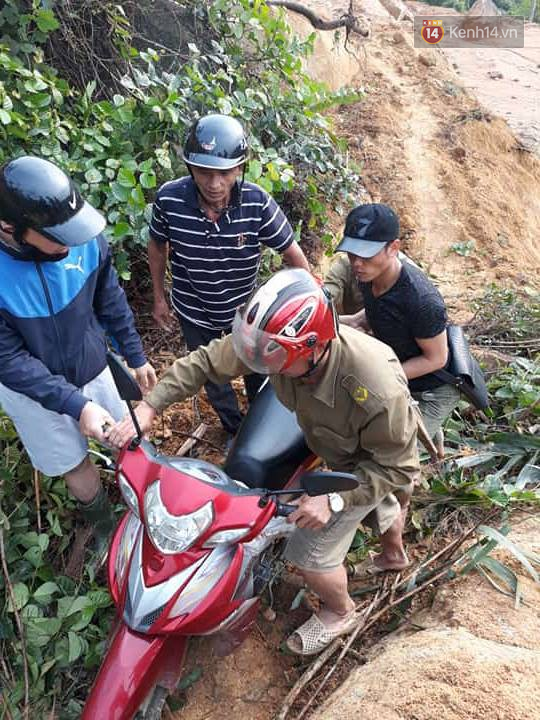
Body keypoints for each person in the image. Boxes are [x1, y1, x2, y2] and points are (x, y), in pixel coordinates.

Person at [107, 268, 420, 656]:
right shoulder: (275, 345)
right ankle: (393, 554)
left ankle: (341, 611)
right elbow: (207, 362)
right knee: (379, 503)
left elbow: (398, 466)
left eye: (272, 355)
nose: (257, 361)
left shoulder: (374, 389)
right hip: (324, 430)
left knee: (309, 557)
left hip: (366, 461)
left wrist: (333, 499)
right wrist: (151, 405)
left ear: (312, 347)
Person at [0, 155, 156, 551]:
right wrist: (76, 405)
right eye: (56, 236)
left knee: (128, 436)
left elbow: (109, 298)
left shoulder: (83, 240)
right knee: (72, 462)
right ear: (10, 228)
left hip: (92, 364)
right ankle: (106, 526)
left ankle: (150, 507)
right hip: (30, 391)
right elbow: (10, 361)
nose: (70, 245)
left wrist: (134, 355)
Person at [148, 113, 309, 442]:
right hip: (194, 307)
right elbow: (157, 244)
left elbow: (292, 253)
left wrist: (305, 301)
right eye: (204, 172)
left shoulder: (257, 202)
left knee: (259, 366)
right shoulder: (169, 199)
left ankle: (262, 425)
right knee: (212, 374)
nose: (214, 183)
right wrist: (159, 297)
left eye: (224, 172)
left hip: (244, 308)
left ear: (239, 168)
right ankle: (234, 428)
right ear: (190, 168)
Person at [326, 203, 460, 458]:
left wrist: (383, 376)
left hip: (434, 387)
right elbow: (368, 316)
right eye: (352, 254)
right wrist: (333, 321)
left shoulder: (421, 300)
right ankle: (431, 437)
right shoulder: (368, 276)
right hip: (403, 376)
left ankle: (427, 431)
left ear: (393, 248)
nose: (357, 263)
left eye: (366, 255)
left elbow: (437, 358)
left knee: (395, 459)